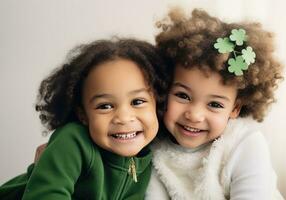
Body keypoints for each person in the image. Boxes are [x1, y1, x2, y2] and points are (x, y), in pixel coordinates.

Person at [0, 38, 169, 199]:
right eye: (105, 106)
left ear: (157, 102)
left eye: (137, 102)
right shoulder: (73, 141)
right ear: (83, 114)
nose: (124, 118)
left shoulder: (151, 155)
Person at [145, 8, 284, 200]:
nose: (194, 115)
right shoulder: (154, 147)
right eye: (183, 96)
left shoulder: (245, 144)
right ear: (165, 88)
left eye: (215, 105)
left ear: (235, 108)